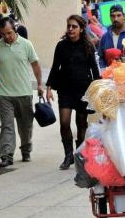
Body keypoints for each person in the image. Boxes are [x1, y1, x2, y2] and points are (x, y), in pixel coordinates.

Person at [0, 17, 43, 168]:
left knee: (25, 126)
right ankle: (6, 155)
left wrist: (40, 85)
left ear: (15, 30)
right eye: (3, 34)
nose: (7, 37)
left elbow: (35, 65)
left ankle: (26, 149)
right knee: (7, 126)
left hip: (24, 93)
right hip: (4, 95)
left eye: (9, 33)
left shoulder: (26, 44)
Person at [46, 15, 100, 170]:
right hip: (65, 90)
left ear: (81, 29)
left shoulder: (88, 46)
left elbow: (94, 69)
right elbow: (55, 67)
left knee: (82, 124)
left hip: (84, 90)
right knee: (64, 123)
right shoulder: (61, 46)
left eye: (74, 26)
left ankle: (79, 155)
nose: (70, 29)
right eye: (69, 26)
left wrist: (98, 88)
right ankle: (68, 155)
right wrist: (49, 87)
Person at [98, 5, 125, 69]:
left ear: (124, 16)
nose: (115, 19)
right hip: (109, 76)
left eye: (118, 15)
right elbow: (101, 57)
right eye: (112, 16)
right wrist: (104, 70)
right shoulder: (105, 37)